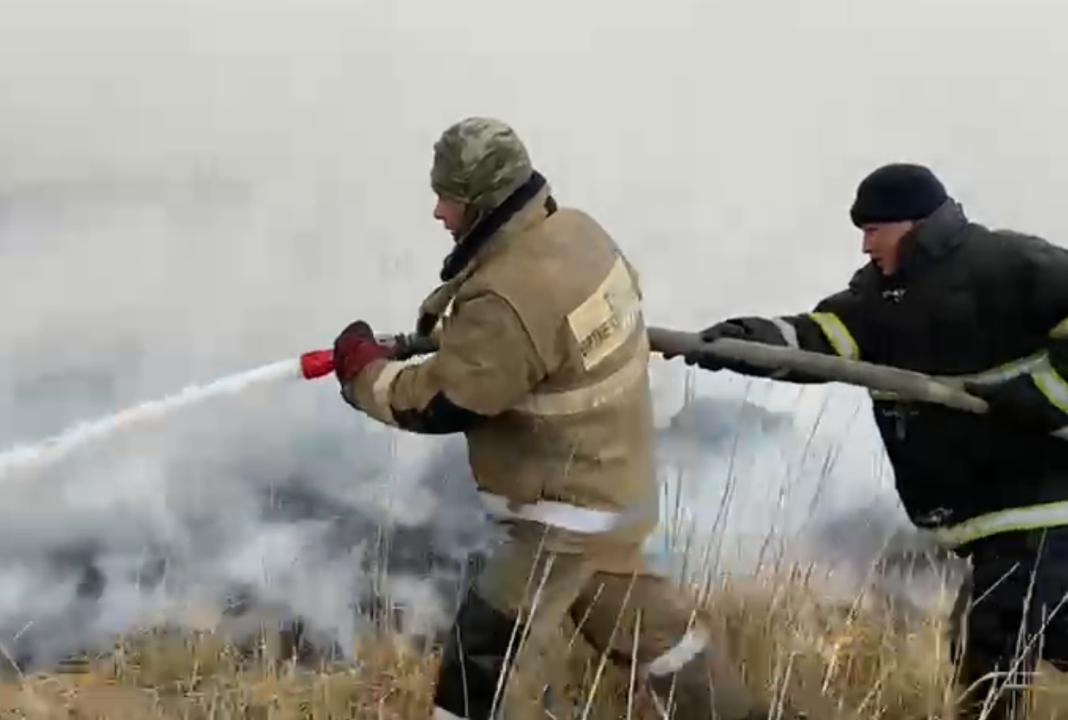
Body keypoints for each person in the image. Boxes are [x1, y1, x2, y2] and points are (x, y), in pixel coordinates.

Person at [329, 117, 768, 720]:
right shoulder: (579, 235)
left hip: (562, 515)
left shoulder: (508, 297)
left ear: (481, 201)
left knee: (482, 662)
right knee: (658, 640)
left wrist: (361, 374)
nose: (436, 211)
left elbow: (437, 402)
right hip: (616, 484)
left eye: (447, 196)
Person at [672, 162, 1068, 720]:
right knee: (1020, 642)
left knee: (990, 652)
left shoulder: (1011, 265)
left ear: (914, 224)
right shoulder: (885, 295)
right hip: (992, 518)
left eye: (873, 229)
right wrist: (747, 342)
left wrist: (1038, 394)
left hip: (1043, 507)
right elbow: (823, 338)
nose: (864, 245)